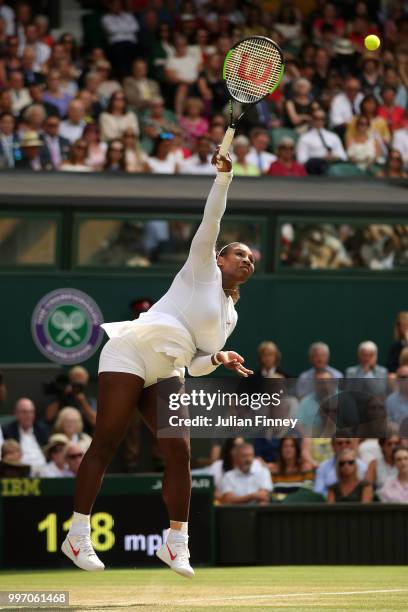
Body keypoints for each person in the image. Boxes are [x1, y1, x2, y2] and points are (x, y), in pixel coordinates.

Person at [62, 150, 256, 578]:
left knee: (179, 451)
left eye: (251, 261)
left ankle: (176, 543)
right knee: (107, 442)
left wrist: (219, 357)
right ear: (220, 258)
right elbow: (213, 219)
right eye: (239, 254)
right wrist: (223, 179)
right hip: (131, 351)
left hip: (169, 369)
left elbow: (199, 363)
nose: (246, 260)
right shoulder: (200, 267)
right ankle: (77, 534)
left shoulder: (231, 315)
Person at [2, 397, 48, 475]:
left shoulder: (41, 429)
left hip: (44, 471)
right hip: (20, 472)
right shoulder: (7, 431)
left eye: (31, 412)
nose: (29, 415)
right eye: (24, 412)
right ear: (16, 414)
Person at [296, 108, 346, 175]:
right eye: (316, 118)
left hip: (334, 166)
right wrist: (322, 158)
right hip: (315, 169)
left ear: (325, 120)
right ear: (312, 119)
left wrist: (334, 157)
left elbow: (343, 156)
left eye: (322, 118)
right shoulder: (305, 138)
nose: (319, 121)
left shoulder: (333, 136)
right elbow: (301, 160)